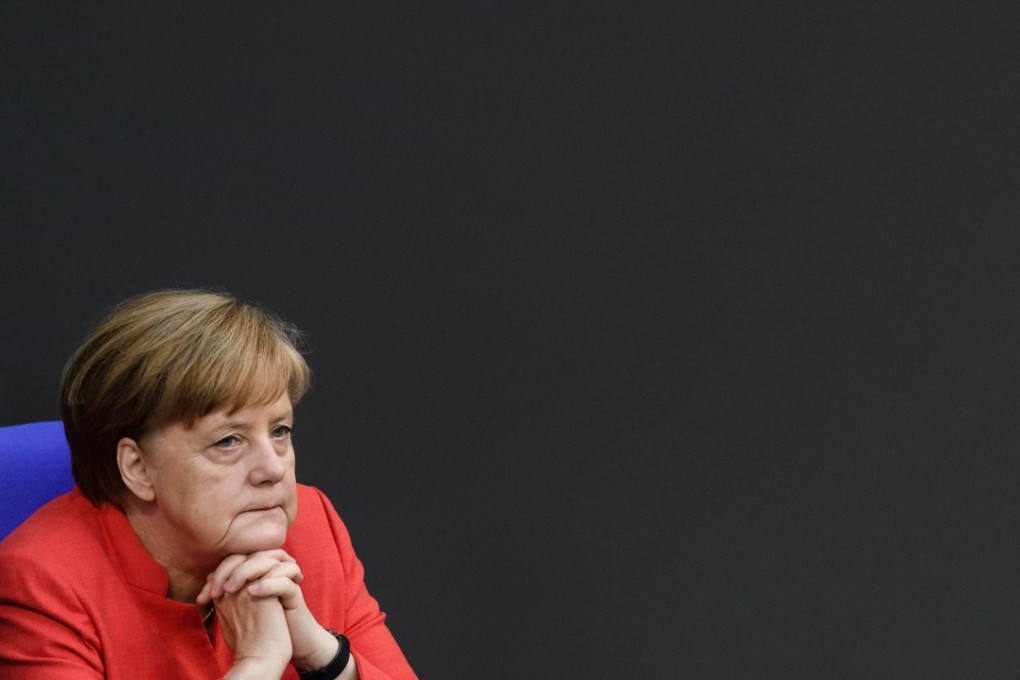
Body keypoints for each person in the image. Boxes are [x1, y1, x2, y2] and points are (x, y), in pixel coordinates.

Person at [0, 290, 417, 680]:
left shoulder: (310, 524)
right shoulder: (41, 582)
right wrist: (257, 665)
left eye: (280, 431)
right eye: (228, 441)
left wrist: (323, 655)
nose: (272, 470)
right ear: (138, 467)